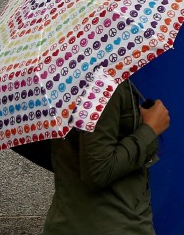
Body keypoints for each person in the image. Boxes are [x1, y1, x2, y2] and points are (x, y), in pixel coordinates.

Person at [43, 79, 170, 234]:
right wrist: (149, 130)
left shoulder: (64, 74)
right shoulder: (103, 78)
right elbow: (98, 170)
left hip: (70, 218)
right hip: (114, 222)